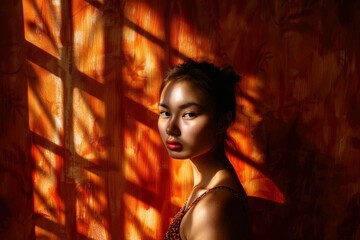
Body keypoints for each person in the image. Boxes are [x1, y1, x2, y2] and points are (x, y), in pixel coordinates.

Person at [158, 60, 251, 240]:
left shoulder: (212, 208)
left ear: (223, 121)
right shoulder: (208, 190)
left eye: (189, 114)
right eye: (165, 113)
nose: (171, 128)